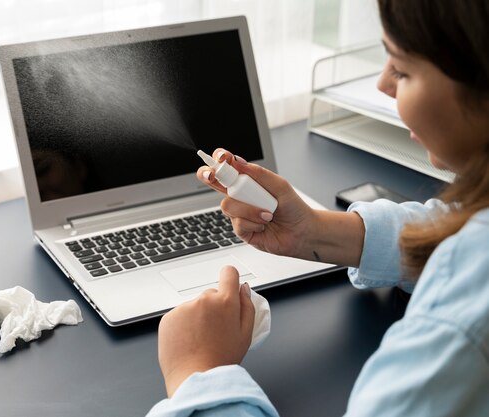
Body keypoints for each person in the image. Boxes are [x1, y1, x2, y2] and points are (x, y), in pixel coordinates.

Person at [146, 0, 489, 415]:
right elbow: (460, 229)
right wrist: (315, 232)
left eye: (401, 68)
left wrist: (197, 374)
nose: (383, 83)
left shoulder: (462, 318)